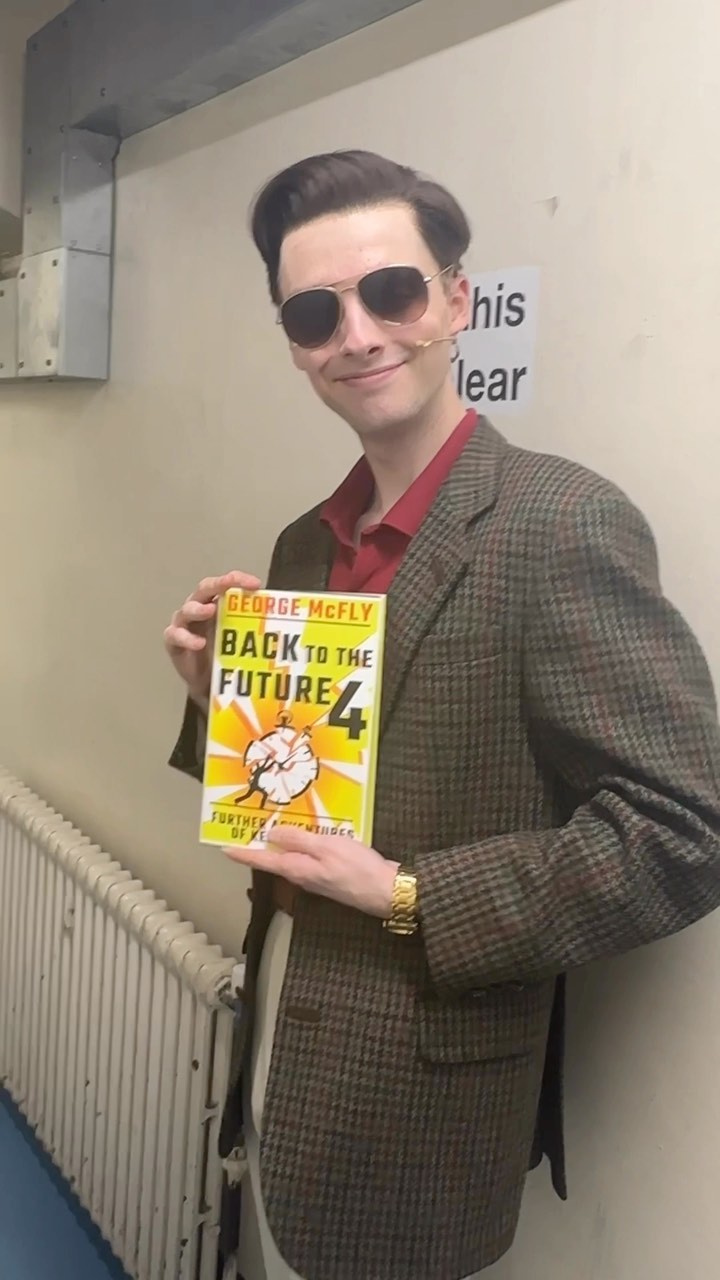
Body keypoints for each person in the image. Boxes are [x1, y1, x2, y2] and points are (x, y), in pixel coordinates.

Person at [165, 150, 720, 1280]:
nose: (358, 334)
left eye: (392, 292)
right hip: (279, 1022)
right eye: (316, 313)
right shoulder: (302, 546)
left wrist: (411, 893)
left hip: (426, 1082)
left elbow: (684, 831)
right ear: (296, 344)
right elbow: (304, 778)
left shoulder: (563, 521)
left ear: (457, 300)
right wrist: (216, 696)